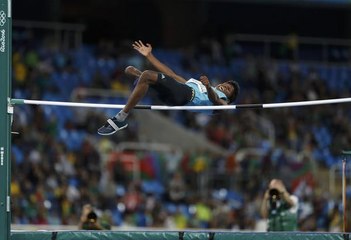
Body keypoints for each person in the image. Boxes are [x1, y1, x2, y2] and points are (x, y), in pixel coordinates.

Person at [98, 40, 240, 135]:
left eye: (228, 90)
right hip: (177, 95)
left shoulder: (223, 101)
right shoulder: (199, 85)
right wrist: (149, 56)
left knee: (146, 75)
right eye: (225, 85)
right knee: (151, 78)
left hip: (186, 96)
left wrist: (209, 87)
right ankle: (141, 77)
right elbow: (171, 74)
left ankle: (120, 118)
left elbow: (216, 100)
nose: (225, 87)